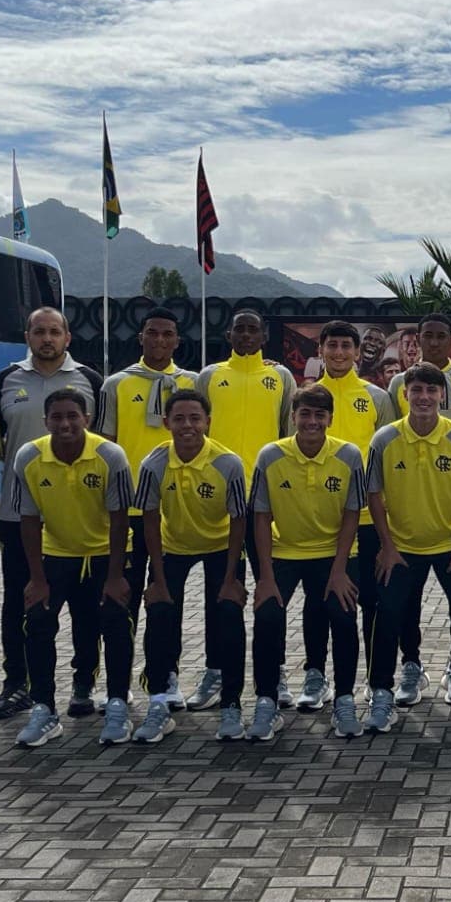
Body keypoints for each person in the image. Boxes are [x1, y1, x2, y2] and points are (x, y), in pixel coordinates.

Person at [0, 308, 104, 721]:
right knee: (22, 602)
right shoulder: (6, 380)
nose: (47, 338)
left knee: (86, 608)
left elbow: (104, 444)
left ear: (68, 337)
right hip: (20, 516)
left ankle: (83, 683)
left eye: (55, 331)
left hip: (79, 518)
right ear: (28, 335)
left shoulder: (90, 380)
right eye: (40, 331)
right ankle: (17, 683)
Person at [365, 362, 451, 732]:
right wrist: (387, 546)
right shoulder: (384, 439)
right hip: (401, 547)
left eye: (430, 391)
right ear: (404, 394)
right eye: (416, 390)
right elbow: (374, 493)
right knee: (387, 615)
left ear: (442, 396)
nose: (423, 397)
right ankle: (381, 695)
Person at [8, 388, 135, 747]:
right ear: (45, 421)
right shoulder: (29, 456)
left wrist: (114, 576)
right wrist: (36, 578)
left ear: (87, 419)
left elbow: (119, 518)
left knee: (113, 625)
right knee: (38, 623)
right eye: (57, 417)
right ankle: (44, 710)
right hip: (56, 554)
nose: (65, 424)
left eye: (72, 417)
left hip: (104, 554)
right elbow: (29, 520)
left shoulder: (110, 455)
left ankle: (116, 704)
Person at [249, 385, 367, 739]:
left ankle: (344, 700)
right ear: (293, 417)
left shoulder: (348, 456)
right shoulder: (270, 456)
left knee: (343, 616)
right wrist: (265, 576)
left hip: (334, 552)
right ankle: (267, 702)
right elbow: (260, 518)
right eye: (305, 414)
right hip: (285, 552)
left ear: (330, 418)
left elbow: (351, 516)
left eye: (320, 415)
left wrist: (339, 571)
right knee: (267, 616)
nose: (312, 421)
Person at [133, 390, 251, 743]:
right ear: (167, 422)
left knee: (228, 612)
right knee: (160, 612)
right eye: (180, 419)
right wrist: (156, 575)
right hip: (173, 546)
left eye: (195, 418)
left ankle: (230, 703)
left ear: (208, 422)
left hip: (220, 546)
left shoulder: (227, 463)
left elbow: (238, 521)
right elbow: (150, 521)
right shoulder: (153, 464)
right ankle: (160, 695)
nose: (188, 426)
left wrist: (231, 577)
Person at [98, 308, 197, 703]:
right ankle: (116, 684)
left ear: (177, 340)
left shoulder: (190, 382)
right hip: (128, 512)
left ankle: (163, 676)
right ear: (140, 337)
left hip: (172, 514)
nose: (159, 340)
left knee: (164, 602)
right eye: (152, 333)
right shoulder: (116, 384)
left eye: (167, 335)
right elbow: (104, 446)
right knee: (121, 600)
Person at [197, 309, 296, 703]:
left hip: (264, 501)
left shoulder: (281, 377)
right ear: (229, 332)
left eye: (253, 329)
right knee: (219, 591)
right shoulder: (209, 376)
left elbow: (288, 434)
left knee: (272, 590)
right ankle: (215, 670)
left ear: (264, 335)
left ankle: (276, 673)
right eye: (239, 327)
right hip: (219, 500)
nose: (246, 334)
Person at [385, 312, 451, 704]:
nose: (435, 342)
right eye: (428, 336)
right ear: (418, 339)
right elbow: (394, 436)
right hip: (409, 507)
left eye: (442, 336)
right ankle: (411, 666)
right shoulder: (397, 384)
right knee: (406, 600)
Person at [312, 320, 396, 709]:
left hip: (366, 520)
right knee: (320, 602)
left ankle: (378, 682)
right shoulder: (307, 398)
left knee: (371, 604)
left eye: (346, 346)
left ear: (357, 351)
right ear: (321, 351)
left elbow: (386, 459)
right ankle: (316, 675)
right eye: (332, 346)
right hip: (318, 521)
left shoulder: (377, 397)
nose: (339, 353)